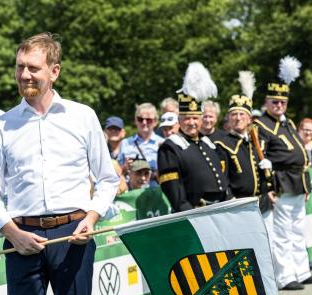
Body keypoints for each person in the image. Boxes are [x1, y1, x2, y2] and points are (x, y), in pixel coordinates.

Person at [0, 33, 119, 295]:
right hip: (21, 239)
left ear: (54, 71)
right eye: (19, 67)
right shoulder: (3, 125)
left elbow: (108, 179)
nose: (24, 74)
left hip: (74, 235)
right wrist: (13, 234)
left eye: (33, 68)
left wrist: (92, 217)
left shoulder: (82, 117)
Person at [254, 56, 312, 290]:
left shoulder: (288, 123)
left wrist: (305, 183)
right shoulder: (261, 125)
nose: (279, 106)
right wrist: (269, 187)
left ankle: (302, 271)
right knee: (282, 233)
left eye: (282, 102)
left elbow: (300, 155)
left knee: (297, 229)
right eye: (274, 102)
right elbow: (261, 160)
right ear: (266, 102)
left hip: (297, 182)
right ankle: (286, 276)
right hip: (281, 182)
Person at [157, 62, 230, 212]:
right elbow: (172, 188)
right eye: (186, 118)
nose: (191, 123)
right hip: (195, 211)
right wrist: (188, 211)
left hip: (219, 208)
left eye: (195, 118)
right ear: (179, 120)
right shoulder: (170, 147)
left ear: (201, 119)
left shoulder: (208, 143)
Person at [214, 71, 275, 232]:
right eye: (234, 114)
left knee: (269, 246)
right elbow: (222, 179)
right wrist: (231, 202)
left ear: (249, 118)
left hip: (263, 203)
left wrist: (270, 177)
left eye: (242, 114)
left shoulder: (256, 141)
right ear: (229, 118)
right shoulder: (223, 143)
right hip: (240, 206)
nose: (238, 118)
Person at [118, 103, 163, 184]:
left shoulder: (162, 143)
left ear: (155, 121)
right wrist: (125, 167)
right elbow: (117, 172)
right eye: (140, 119)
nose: (144, 122)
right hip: (132, 192)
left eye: (148, 120)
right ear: (135, 120)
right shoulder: (125, 143)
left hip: (155, 190)